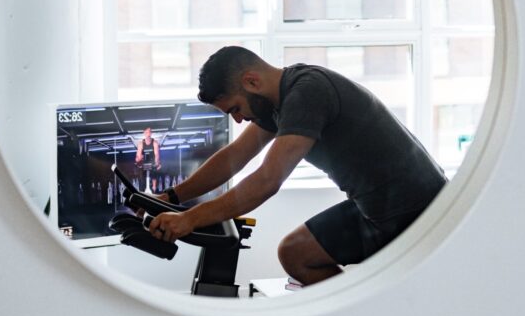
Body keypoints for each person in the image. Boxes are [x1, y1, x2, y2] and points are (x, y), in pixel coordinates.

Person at [146, 46, 448, 286]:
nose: (238, 120)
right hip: (374, 204)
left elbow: (267, 180)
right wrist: (171, 198)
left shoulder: (308, 92)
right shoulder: (278, 102)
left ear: (252, 81)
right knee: (294, 252)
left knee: (297, 254)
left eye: (236, 109)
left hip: (414, 209)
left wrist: (189, 219)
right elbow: (234, 156)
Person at [135, 127, 161, 191]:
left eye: (149, 132)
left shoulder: (155, 143)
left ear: (151, 133)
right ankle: (143, 188)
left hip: (153, 161)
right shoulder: (140, 144)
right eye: (146, 132)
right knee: (140, 167)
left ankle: (154, 187)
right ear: (144, 133)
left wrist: (157, 162)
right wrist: (138, 159)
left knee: (155, 169)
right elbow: (137, 156)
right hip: (144, 161)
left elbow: (157, 155)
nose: (148, 134)